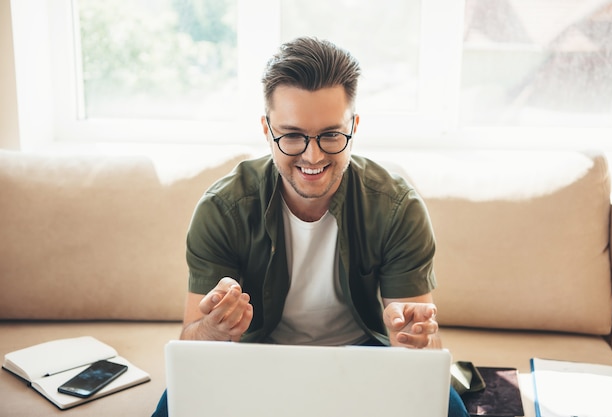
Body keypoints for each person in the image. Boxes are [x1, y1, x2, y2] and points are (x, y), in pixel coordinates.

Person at [152, 36, 469, 417]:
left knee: (445, 407)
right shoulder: (223, 209)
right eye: (292, 135)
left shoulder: (397, 207)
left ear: (354, 126)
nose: (312, 155)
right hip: (257, 355)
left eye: (331, 135)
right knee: (174, 407)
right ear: (267, 130)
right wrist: (216, 328)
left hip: (365, 356)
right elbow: (190, 349)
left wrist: (413, 338)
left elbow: (423, 358)